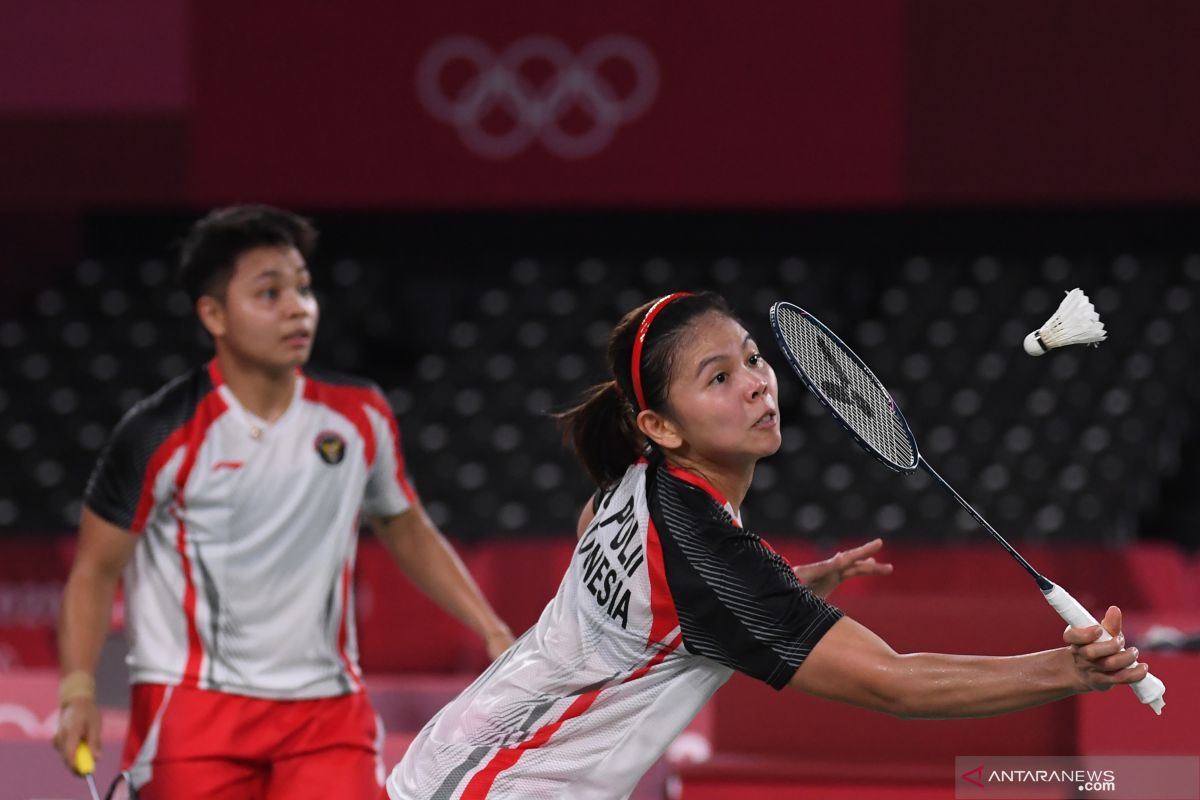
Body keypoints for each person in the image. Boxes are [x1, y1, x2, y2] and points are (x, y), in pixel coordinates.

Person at [386, 291, 1150, 800]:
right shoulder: (706, 554)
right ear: (661, 424)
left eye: (752, 358)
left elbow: (608, 545)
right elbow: (894, 684)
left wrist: (786, 588)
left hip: (444, 763)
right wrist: (1068, 669)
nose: (758, 383)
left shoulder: (641, 477)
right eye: (719, 378)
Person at [52, 205, 514, 799]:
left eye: (303, 288)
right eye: (269, 293)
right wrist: (77, 691)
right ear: (213, 314)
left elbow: (404, 525)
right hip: (194, 708)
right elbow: (94, 569)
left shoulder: (358, 415)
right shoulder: (158, 433)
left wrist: (492, 629)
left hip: (326, 712)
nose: (298, 307)